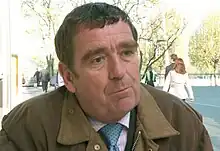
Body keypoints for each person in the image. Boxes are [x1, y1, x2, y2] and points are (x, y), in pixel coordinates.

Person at [0, 2, 213, 151]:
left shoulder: (183, 123)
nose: (119, 72)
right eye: (98, 60)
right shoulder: (27, 129)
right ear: (68, 77)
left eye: (127, 53)